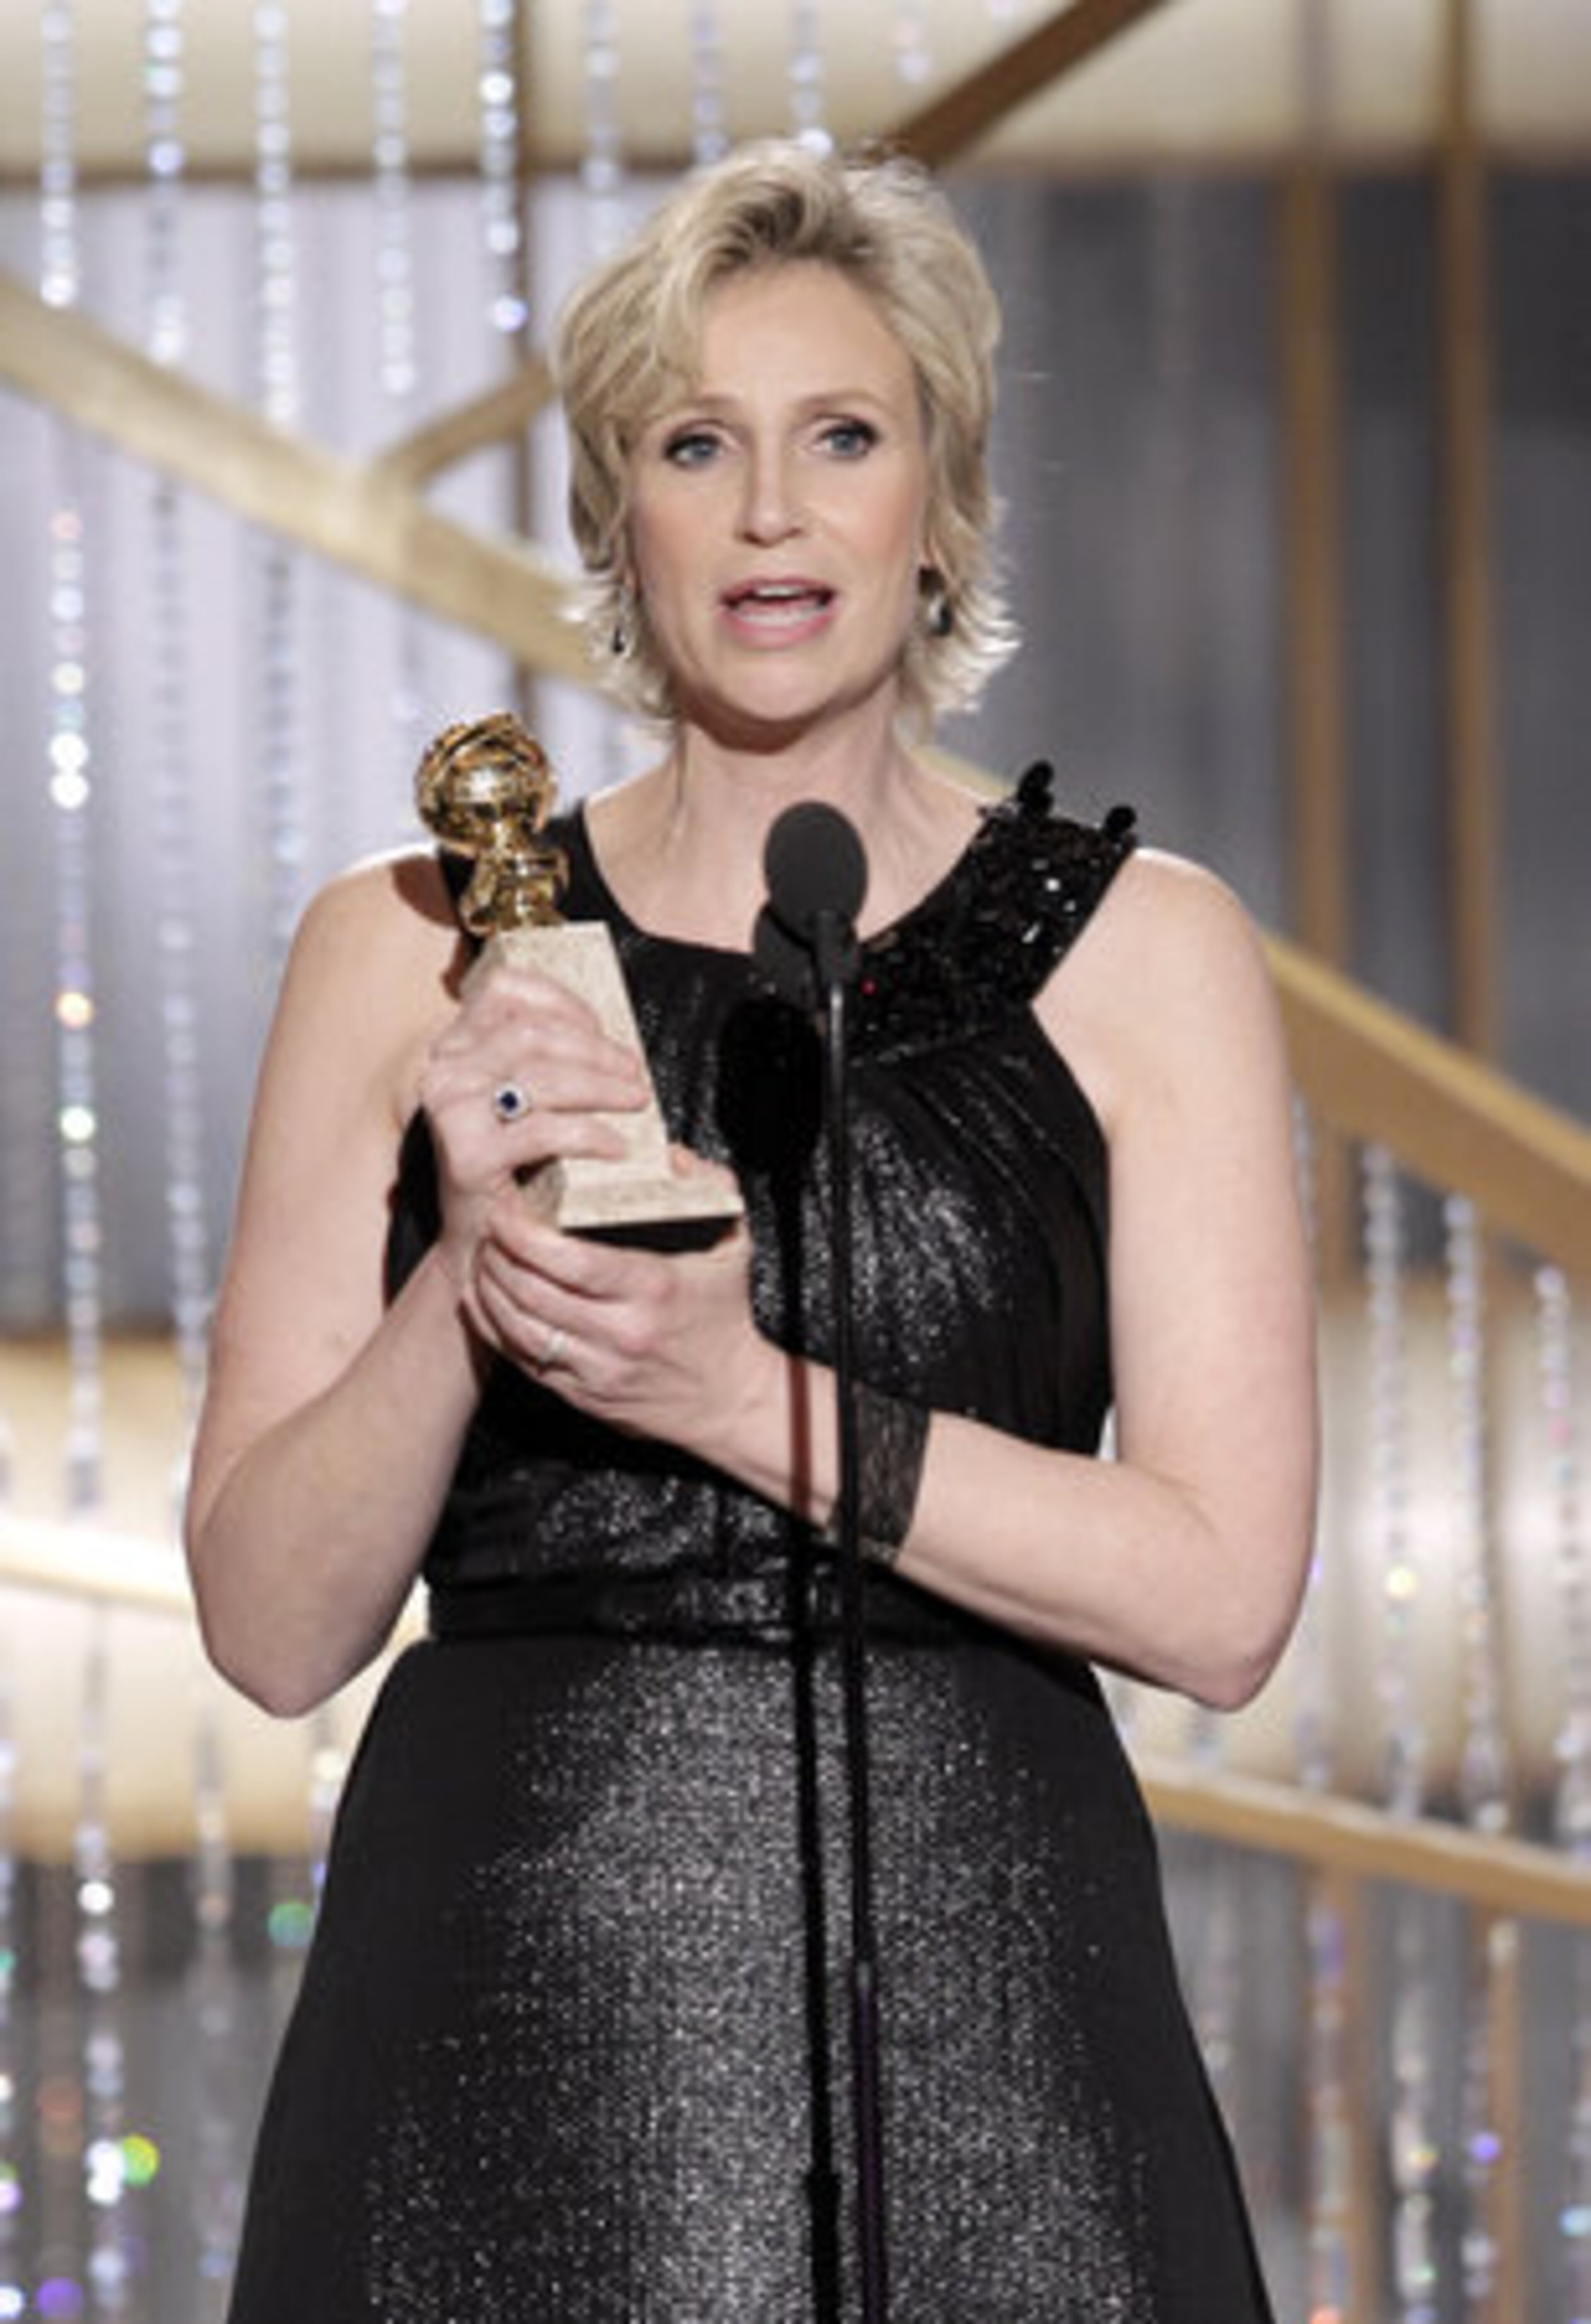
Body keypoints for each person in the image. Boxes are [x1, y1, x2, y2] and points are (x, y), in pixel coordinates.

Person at [188, 138, 1316, 2323]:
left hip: (998, 2023)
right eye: (700, 445)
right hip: (500, 2027)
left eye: (843, 437)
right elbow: (266, 1622)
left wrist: (734, 1394)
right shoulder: (403, 946)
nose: (776, 511)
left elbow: (1224, 1599)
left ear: (941, 504)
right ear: (624, 520)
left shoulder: (1144, 953)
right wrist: (468, 1283)